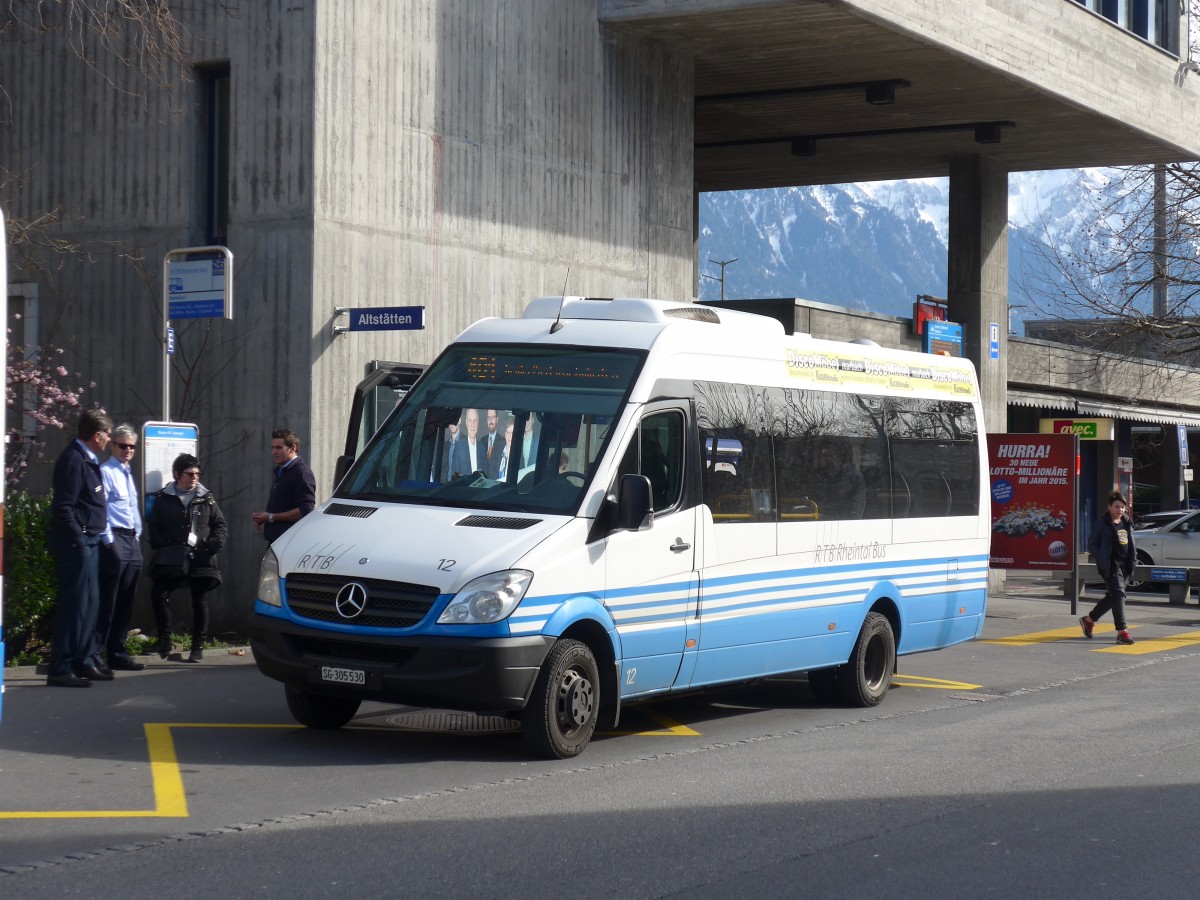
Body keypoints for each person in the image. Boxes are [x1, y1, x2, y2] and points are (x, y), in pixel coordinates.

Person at [46, 409, 114, 687]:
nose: (110, 440)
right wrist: (78, 539)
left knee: (89, 605)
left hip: (91, 541)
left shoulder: (88, 460)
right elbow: (63, 508)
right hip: (79, 544)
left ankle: (84, 660)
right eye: (109, 435)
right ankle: (61, 667)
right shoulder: (73, 460)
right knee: (74, 606)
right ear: (97, 436)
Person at [146, 454, 228, 663]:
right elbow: (154, 525)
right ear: (177, 474)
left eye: (197, 474)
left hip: (199, 557)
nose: (194, 477)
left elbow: (220, 525)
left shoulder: (206, 498)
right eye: (189, 473)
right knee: (159, 594)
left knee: (199, 600)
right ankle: (164, 640)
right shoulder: (164, 498)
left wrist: (210, 547)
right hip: (171, 556)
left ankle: (197, 647)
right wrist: (163, 545)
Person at [96, 424, 146, 672]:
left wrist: (137, 535)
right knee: (109, 600)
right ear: (112, 446)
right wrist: (109, 541)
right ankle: (95, 655)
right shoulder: (106, 472)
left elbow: (131, 508)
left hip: (131, 539)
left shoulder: (127, 471)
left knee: (126, 600)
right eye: (123, 445)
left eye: (132, 446)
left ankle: (118, 652)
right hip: (115, 538)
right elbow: (101, 509)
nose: (128, 450)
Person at [1081, 490, 1137, 645]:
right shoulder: (1102, 523)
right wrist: (1101, 556)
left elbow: (1132, 543)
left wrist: (1134, 560)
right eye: (1117, 507)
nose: (1120, 510)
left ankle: (1089, 620)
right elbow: (1092, 543)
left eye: (1122, 507)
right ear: (1109, 507)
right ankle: (1122, 632)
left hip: (1125, 565)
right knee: (1119, 595)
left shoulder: (1126, 521)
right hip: (1110, 565)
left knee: (1113, 596)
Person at [252, 428, 317, 543]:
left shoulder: (301, 472)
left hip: (290, 542)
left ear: (293, 448)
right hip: (278, 541)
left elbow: (306, 510)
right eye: (273, 447)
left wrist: (271, 517)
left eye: (279, 448)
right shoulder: (283, 471)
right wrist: (264, 518)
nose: (274, 452)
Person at [450, 408, 483, 478]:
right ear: (466, 422)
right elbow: (455, 475)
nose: (472, 424)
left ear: (478, 422)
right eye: (470, 420)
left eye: (475, 420)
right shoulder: (459, 447)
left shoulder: (482, 448)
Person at [484, 408, 503, 478]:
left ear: (497, 419)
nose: (490, 421)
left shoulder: (503, 442)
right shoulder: (482, 440)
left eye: (493, 417)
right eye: (488, 418)